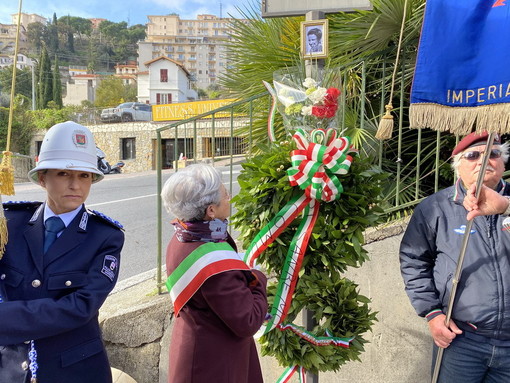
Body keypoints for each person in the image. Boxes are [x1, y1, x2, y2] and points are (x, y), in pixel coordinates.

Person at [0, 121, 124, 383]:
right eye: (64, 174)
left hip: (74, 371)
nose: (76, 185)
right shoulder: (9, 224)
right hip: (12, 370)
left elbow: (80, 307)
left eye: (84, 176)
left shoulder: (105, 236)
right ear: (43, 178)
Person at [400, 131, 510, 382]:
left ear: (503, 161)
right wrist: (432, 314)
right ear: (457, 165)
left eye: (493, 153)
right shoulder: (435, 208)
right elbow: (413, 262)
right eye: (473, 155)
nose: (484, 161)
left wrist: (506, 207)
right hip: (461, 339)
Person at [162, 164, 268, 383]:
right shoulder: (215, 266)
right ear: (211, 210)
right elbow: (248, 320)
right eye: (225, 194)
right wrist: (259, 280)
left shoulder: (182, 236)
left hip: (197, 349)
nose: (229, 198)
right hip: (214, 364)